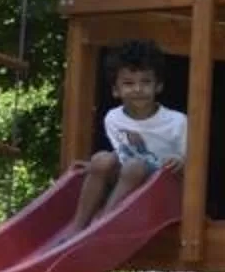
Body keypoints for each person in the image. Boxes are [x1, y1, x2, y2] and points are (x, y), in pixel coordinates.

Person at [69, 39, 187, 233]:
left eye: (146, 82)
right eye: (129, 83)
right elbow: (123, 153)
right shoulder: (113, 119)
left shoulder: (177, 122)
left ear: (158, 86)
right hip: (131, 182)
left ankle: (103, 223)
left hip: (162, 188)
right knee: (101, 159)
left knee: (134, 166)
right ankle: (77, 227)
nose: (138, 89)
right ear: (116, 90)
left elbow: (192, 162)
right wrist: (94, 167)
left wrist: (180, 160)